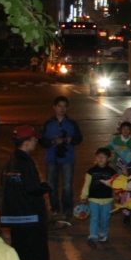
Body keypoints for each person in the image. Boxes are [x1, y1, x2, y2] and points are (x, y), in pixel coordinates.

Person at [0, 125, 58, 260]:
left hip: (14, 217)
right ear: (26, 142)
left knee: (20, 253)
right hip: (31, 217)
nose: (36, 142)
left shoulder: (10, 161)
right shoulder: (25, 161)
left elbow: (6, 186)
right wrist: (45, 187)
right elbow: (32, 188)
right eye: (34, 139)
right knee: (39, 253)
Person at [40, 96, 83, 225]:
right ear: (54, 107)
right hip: (51, 158)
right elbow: (41, 141)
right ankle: (55, 209)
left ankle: (67, 210)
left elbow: (79, 138)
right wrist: (53, 141)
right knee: (52, 186)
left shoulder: (71, 123)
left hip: (67, 158)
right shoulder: (48, 123)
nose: (62, 109)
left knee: (67, 186)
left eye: (64, 106)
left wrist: (71, 140)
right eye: (59, 106)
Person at [80, 147, 117, 246]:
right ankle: (93, 236)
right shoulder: (91, 171)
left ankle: (103, 233)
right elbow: (86, 184)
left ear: (108, 159)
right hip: (93, 199)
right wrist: (84, 196)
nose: (101, 158)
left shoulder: (112, 172)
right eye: (99, 156)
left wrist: (119, 194)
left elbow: (117, 184)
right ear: (95, 158)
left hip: (107, 199)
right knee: (94, 218)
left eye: (104, 157)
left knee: (105, 218)